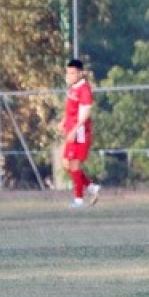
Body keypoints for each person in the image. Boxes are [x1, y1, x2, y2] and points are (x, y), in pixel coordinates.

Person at [62, 58, 100, 208]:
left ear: (80, 73)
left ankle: (78, 199)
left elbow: (84, 114)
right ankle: (91, 187)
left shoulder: (84, 90)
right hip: (71, 129)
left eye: (72, 73)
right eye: (68, 73)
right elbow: (71, 109)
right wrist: (63, 121)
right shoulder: (73, 88)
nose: (69, 76)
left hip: (79, 132)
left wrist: (74, 130)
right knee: (66, 164)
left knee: (74, 165)